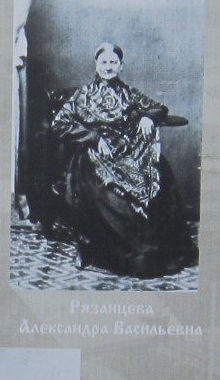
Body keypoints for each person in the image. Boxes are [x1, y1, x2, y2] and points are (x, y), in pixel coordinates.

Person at [48, 43, 190, 277]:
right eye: (104, 62)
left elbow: (159, 108)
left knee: (160, 170)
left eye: (113, 62)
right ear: (96, 65)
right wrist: (94, 137)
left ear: (121, 66)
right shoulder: (83, 95)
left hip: (128, 151)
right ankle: (132, 255)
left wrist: (147, 116)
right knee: (110, 196)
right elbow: (59, 124)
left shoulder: (128, 93)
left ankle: (160, 248)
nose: (108, 67)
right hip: (95, 155)